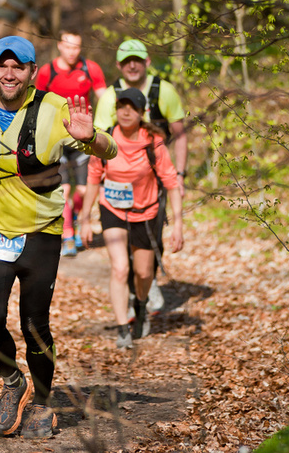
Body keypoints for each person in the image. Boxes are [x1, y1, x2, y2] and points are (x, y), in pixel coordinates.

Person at [0, 35, 116, 439]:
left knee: (34, 324)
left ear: (32, 72)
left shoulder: (55, 109)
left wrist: (90, 136)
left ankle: (41, 400)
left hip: (40, 233)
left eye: (18, 66)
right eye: (2, 65)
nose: (9, 73)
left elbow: (108, 151)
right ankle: (12, 382)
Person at [80, 87, 184, 349]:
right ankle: (122, 327)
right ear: (116, 109)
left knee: (143, 272)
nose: (126, 112)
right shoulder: (104, 139)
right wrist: (84, 218)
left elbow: (171, 182)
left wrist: (178, 224)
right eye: (122, 106)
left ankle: (140, 304)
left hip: (145, 212)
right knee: (119, 268)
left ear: (142, 112)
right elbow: (93, 178)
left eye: (133, 107)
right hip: (112, 210)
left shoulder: (153, 141)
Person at [93, 39, 188, 311]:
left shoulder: (164, 92)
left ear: (147, 62)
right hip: (116, 183)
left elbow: (180, 136)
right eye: (126, 61)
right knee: (122, 249)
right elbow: (98, 141)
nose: (132, 65)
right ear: (119, 65)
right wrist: (98, 180)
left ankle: (148, 281)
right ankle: (130, 285)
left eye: (137, 59)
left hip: (154, 179)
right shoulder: (110, 97)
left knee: (152, 236)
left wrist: (179, 175)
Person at [35, 30, 107, 257]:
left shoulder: (90, 69)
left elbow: (105, 99)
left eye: (76, 47)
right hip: (56, 137)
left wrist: (105, 129)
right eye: (68, 46)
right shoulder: (48, 71)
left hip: (83, 138)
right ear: (59, 46)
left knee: (85, 191)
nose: (72, 51)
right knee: (63, 189)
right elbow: (37, 102)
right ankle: (67, 235)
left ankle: (73, 217)